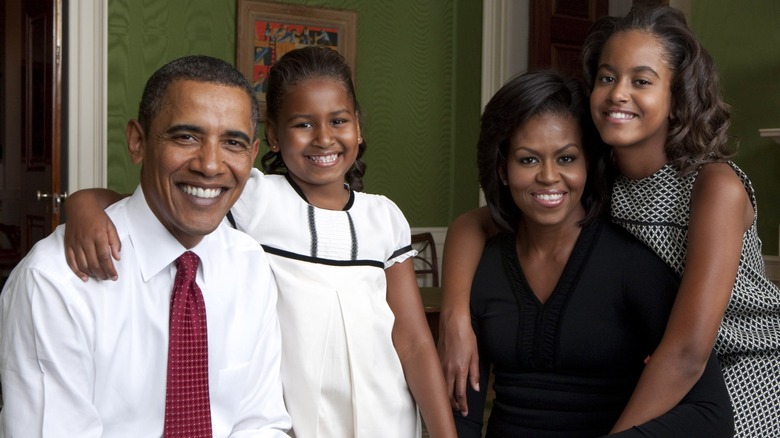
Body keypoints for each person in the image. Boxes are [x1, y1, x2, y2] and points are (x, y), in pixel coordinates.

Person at [61, 46, 456, 437]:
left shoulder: (384, 217)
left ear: (358, 126)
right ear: (270, 135)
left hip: (385, 417)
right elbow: (158, 204)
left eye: (338, 121)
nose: (323, 138)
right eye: (303, 124)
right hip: (294, 421)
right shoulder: (254, 197)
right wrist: (83, 204)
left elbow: (415, 341)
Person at [438, 5, 780, 438]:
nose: (619, 93)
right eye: (606, 77)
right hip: (670, 361)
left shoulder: (713, 187)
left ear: (678, 98)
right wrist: (454, 315)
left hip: (746, 363)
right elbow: (477, 223)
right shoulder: (601, 181)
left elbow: (689, 353)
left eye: (641, 80)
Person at [0, 55, 290, 436]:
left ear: (251, 156)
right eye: (186, 137)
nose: (210, 165)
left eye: (232, 142)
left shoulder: (251, 266)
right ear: (138, 142)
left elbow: (261, 423)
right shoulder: (56, 281)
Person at [452, 69, 732, 437]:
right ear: (502, 169)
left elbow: (710, 414)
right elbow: (463, 408)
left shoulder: (634, 260)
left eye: (567, 158)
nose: (549, 177)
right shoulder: (481, 261)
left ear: (588, 162)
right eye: (528, 160)